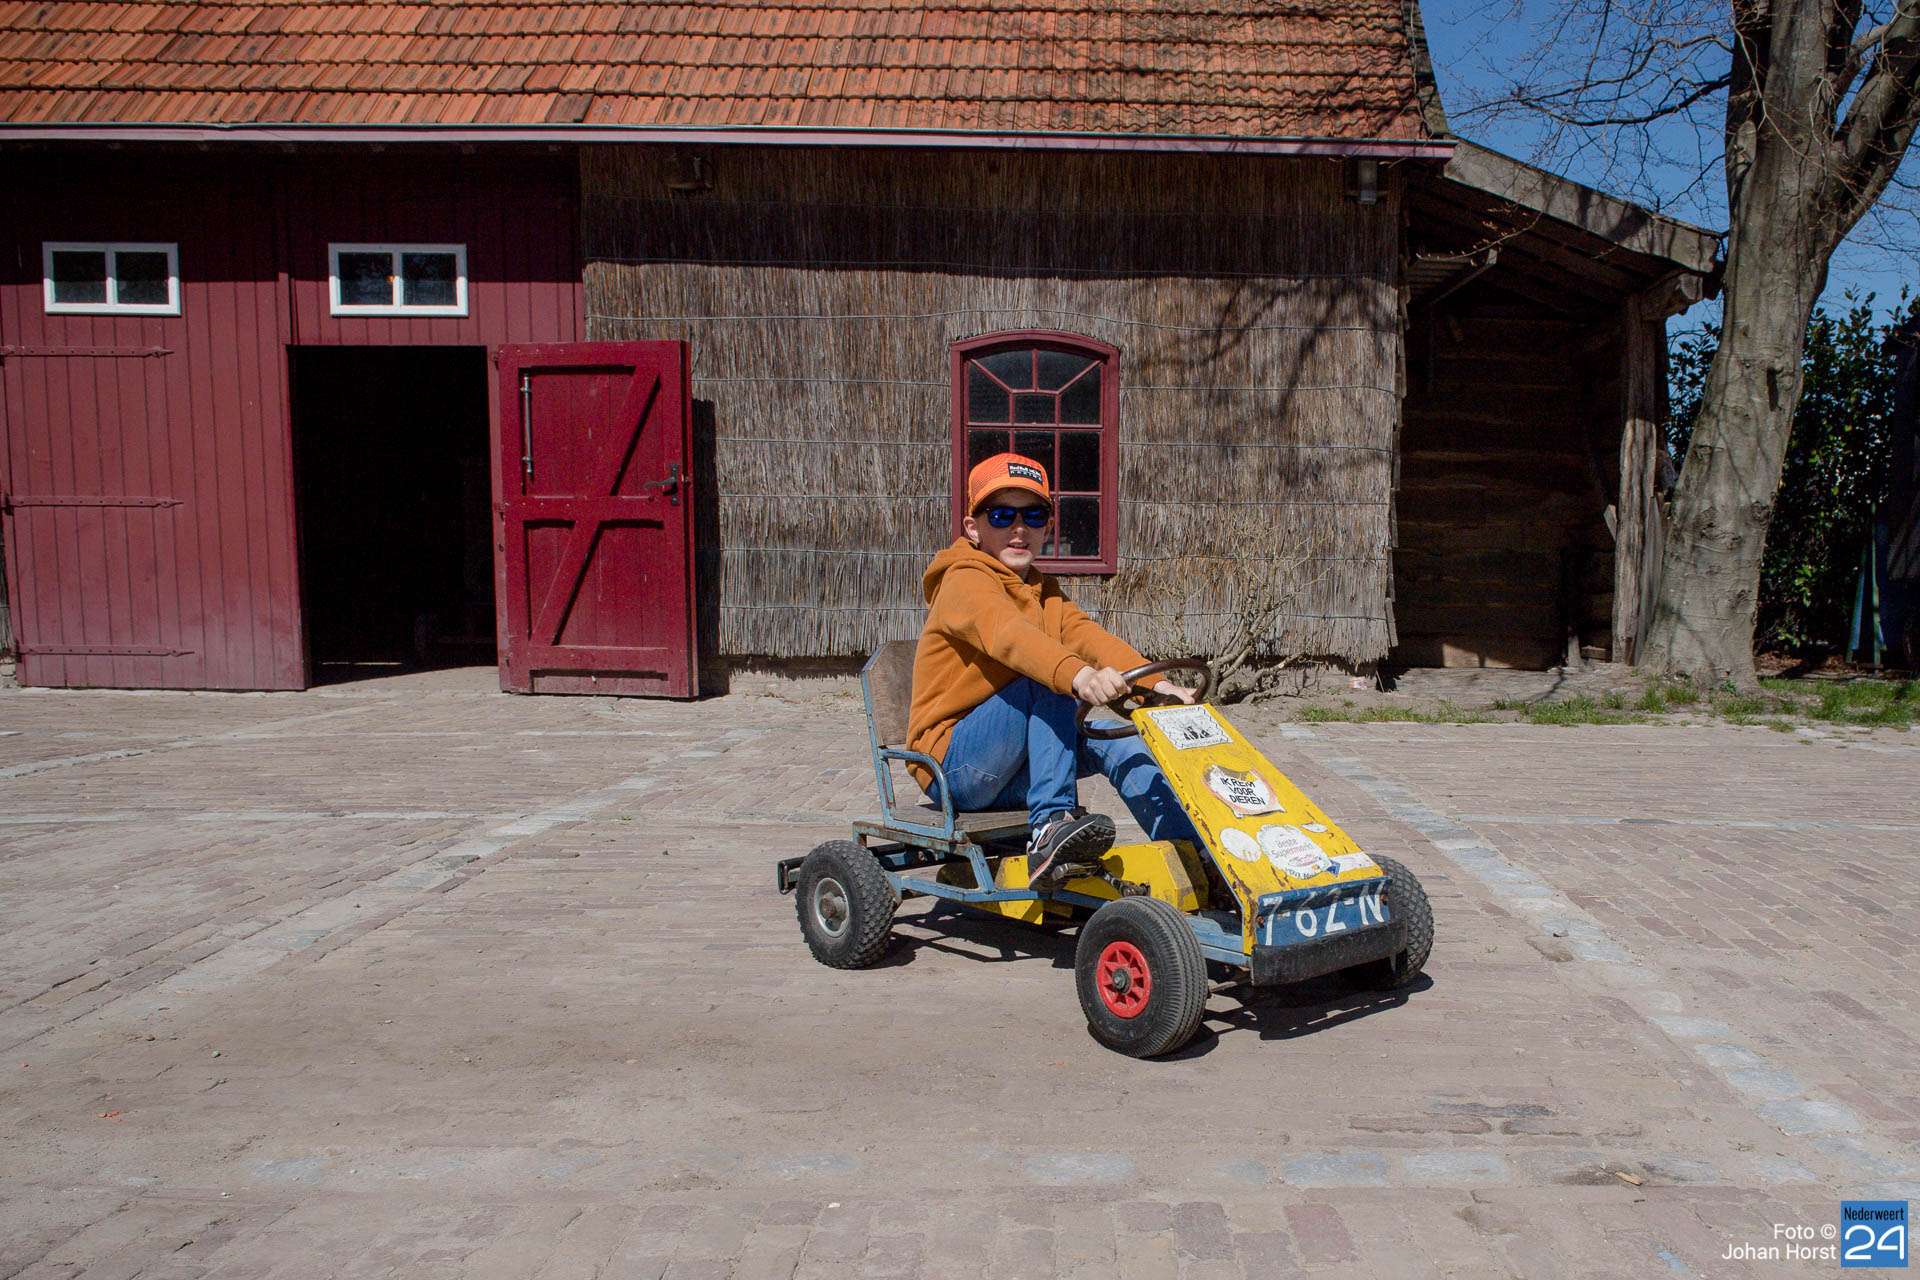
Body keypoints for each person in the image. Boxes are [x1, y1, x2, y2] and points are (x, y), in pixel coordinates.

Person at [906, 452, 1204, 885]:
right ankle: (1050, 827)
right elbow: (1010, 635)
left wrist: (1157, 688)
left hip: (1014, 765)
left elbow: (1091, 639)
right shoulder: (962, 581)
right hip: (954, 769)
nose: (1019, 529)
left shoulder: (1043, 592)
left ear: (1047, 527)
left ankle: (1195, 859)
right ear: (973, 528)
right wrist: (1079, 677)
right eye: (1001, 515)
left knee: (1123, 743)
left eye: (1033, 515)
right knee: (1047, 681)